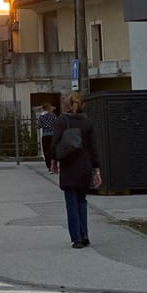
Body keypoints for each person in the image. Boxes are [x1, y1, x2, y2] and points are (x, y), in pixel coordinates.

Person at [51, 93, 101, 249]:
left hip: (68, 165)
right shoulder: (87, 122)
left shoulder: (62, 121)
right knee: (82, 201)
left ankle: (77, 239)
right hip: (84, 166)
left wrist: (54, 161)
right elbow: (93, 148)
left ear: (67, 105)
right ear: (83, 106)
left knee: (71, 203)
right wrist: (96, 170)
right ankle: (84, 233)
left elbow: (54, 143)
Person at [36, 103, 57, 172]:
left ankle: (49, 166)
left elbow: (38, 126)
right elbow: (56, 124)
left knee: (46, 151)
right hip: (53, 135)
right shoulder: (53, 116)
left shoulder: (41, 117)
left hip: (45, 135)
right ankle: (54, 165)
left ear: (43, 109)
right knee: (53, 151)